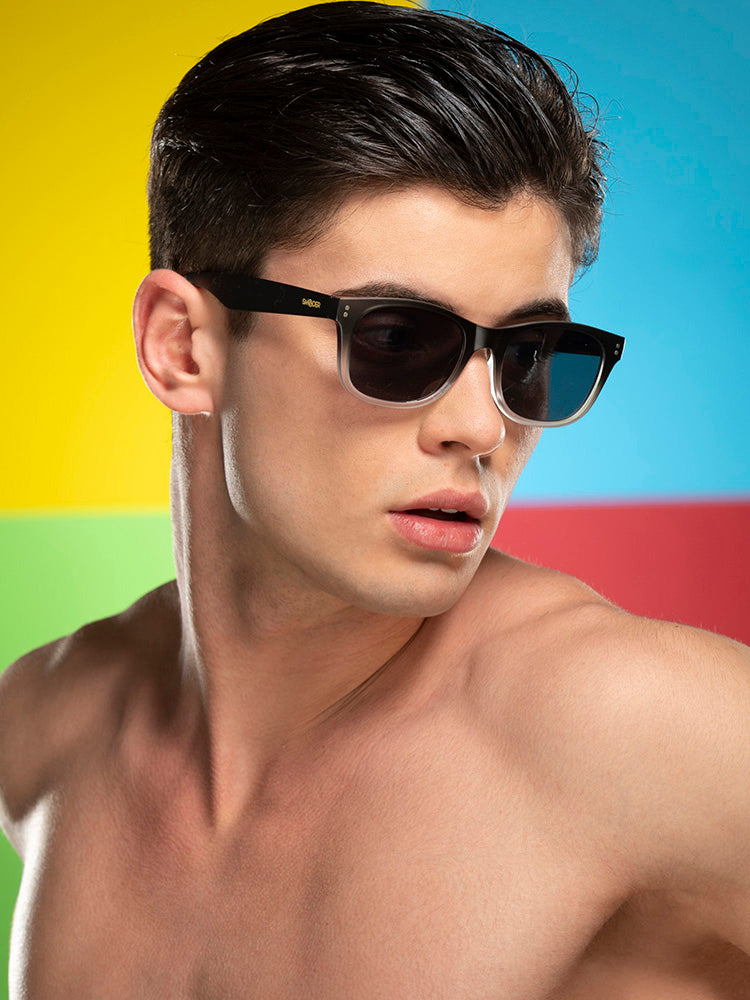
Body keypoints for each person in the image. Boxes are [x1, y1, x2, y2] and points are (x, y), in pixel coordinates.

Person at [1, 2, 749, 996]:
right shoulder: (47, 723)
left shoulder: (632, 726)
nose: (480, 426)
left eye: (528, 356)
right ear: (183, 346)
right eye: (397, 339)